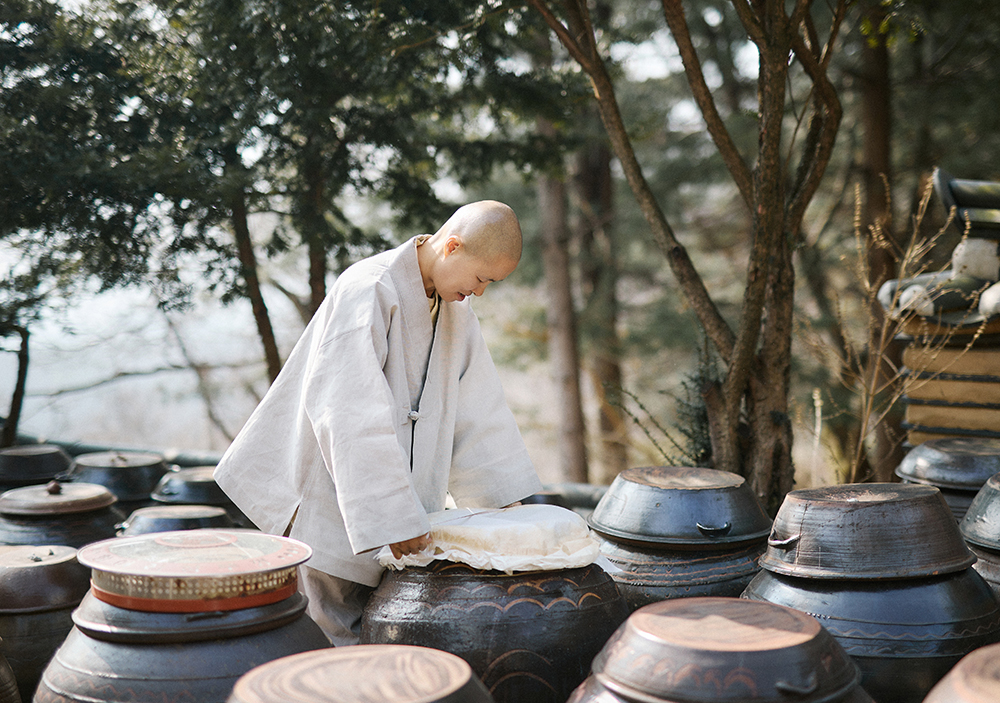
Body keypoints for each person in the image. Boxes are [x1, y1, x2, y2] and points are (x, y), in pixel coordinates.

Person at [214, 200, 543, 645]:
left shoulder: (457, 313)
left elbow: (479, 412)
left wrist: (501, 507)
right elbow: (347, 409)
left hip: (399, 512)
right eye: (481, 278)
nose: (480, 292)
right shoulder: (368, 287)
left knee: (381, 642)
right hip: (331, 499)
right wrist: (391, 515)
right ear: (452, 247)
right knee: (332, 641)